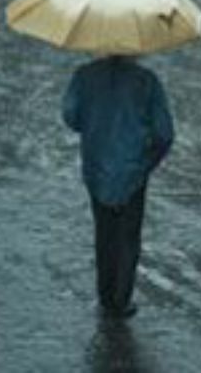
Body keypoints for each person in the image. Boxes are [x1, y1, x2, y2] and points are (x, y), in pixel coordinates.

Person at [62, 54, 174, 321]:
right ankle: (120, 301)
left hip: (96, 165)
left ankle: (105, 295)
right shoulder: (146, 82)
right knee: (127, 236)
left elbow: (71, 117)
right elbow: (165, 134)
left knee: (104, 232)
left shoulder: (85, 75)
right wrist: (147, 162)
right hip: (133, 170)